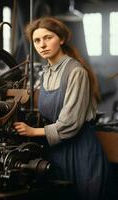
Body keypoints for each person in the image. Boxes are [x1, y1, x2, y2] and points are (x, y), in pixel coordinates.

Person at [14, 16, 116, 200]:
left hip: (81, 152)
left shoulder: (76, 72)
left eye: (48, 38)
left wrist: (32, 131)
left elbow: (70, 122)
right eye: (37, 40)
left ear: (61, 39)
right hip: (56, 153)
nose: (42, 45)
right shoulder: (46, 73)